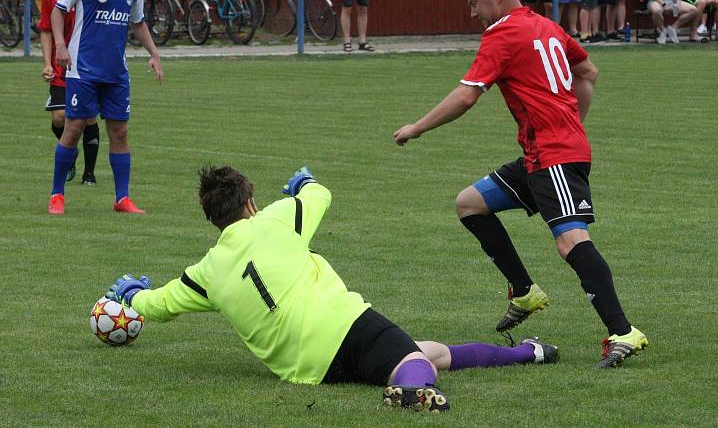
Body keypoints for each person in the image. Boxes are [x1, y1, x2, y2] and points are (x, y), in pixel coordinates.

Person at [105, 166, 560, 413]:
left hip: (308, 367)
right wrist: (304, 183)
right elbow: (320, 195)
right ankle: (409, 393)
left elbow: (160, 304)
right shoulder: (276, 219)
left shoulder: (205, 272)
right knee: (418, 363)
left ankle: (530, 353)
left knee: (433, 352)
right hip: (341, 324)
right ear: (249, 204)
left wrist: (130, 296)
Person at [393, 0, 648, 368]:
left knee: (570, 242)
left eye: (475, 3)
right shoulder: (545, 25)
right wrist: (571, 121)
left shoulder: (502, 33)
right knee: (469, 203)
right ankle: (524, 289)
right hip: (540, 155)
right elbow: (589, 71)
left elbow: (466, 96)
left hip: (554, 157)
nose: (473, 12)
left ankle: (622, 331)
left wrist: (417, 127)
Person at [48, 0, 163, 215]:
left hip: (116, 72)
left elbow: (139, 23)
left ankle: (122, 199)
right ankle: (57, 195)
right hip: (83, 69)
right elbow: (58, 11)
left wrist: (155, 54)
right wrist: (60, 46)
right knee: (74, 127)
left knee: (120, 132)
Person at [39, 0, 99, 186]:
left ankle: (89, 174)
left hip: (89, 68)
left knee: (89, 119)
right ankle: (70, 151)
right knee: (59, 117)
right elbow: (45, 30)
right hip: (62, 67)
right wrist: (46, 63)